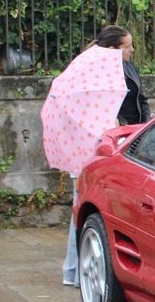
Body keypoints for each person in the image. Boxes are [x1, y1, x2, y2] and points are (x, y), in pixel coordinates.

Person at [63, 25, 149, 286]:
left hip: (127, 140)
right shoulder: (91, 74)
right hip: (95, 146)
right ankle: (75, 270)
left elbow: (139, 99)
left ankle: (78, 269)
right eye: (128, 46)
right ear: (113, 49)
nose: (132, 50)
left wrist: (144, 126)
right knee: (86, 206)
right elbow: (87, 111)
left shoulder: (127, 67)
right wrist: (114, 126)